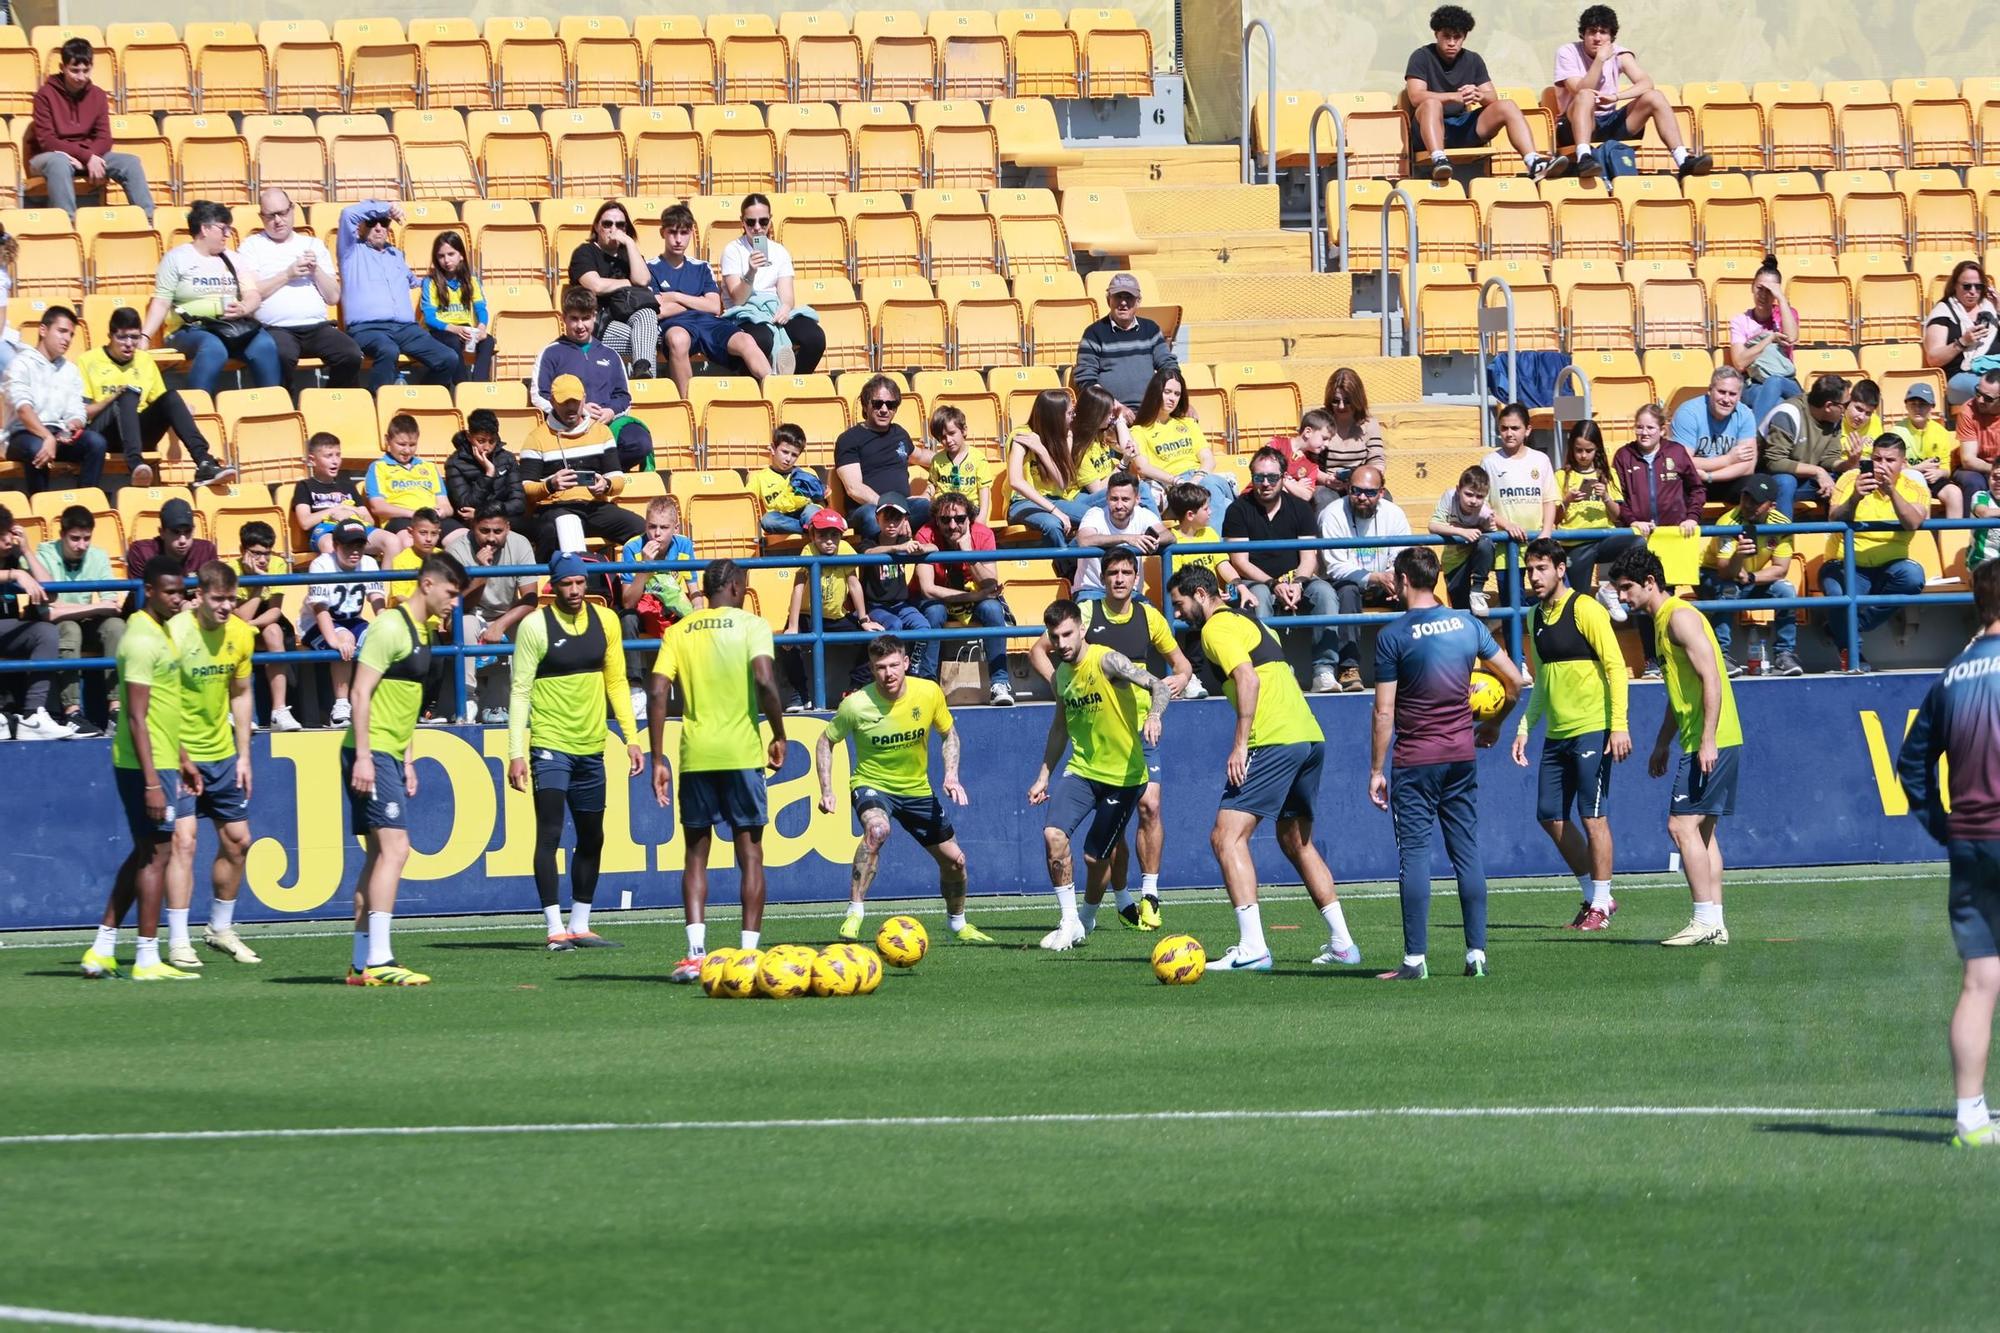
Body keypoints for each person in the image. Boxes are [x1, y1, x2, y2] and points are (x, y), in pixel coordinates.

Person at [1168, 564, 1358, 971]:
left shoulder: (1215, 630)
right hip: (1308, 735)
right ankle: (1344, 944)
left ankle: (1253, 947)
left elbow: (1248, 680)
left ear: (1200, 595)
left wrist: (1240, 745)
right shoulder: (1251, 620)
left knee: (1226, 837)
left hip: (1272, 739)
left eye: (1180, 604)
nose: (1178, 613)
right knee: (1297, 842)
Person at [1369, 545, 1523, 980]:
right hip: (1460, 756)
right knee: (1466, 852)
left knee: (1415, 855)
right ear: (1436, 578)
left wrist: (1376, 770)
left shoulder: (1393, 635)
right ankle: (1476, 954)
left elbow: (1383, 711)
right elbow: (1513, 681)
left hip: (1415, 759)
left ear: (1401, 581)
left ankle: (1415, 961)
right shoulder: (1469, 625)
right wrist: (1495, 724)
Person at [1029, 549, 1192, 930]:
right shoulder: (1084, 614)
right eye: (1112, 573)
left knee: (1149, 805)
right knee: (1108, 827)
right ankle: (1118, 900)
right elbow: (1040, 650)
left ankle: (1149, 894)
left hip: (1140, 727)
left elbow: (1180, 666)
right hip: (1096, 730)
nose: (1119, 579)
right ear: (1102, 578)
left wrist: (1176, 684)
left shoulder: (1149, 616)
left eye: (1126, 572)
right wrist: (1063, 688)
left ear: (1137, 577)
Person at [1895, 559, 2000, 1148]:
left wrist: (1945, 826)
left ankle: (1970, 1118)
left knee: (1981, 980)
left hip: (1972, 839)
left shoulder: (1952, 675)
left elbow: (1912, 764)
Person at [648, 558, 789, 983]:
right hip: (742, 752)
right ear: (732, 585)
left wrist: (658, 757)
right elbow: (764, 680)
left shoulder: (678, 631)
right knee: (750, 854)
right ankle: (748, 955)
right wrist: (778, 732)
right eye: (743, 583)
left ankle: (694, 955)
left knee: (695, 854)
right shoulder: (752, 625)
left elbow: (657, 688)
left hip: (696, 755)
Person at [816, 634, 995, 946]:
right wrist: (827, 789)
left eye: (894, 665)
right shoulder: (855, 705)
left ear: (907, 663)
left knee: (956, 862)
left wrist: (951, 776)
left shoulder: (928, 693)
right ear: (872, 670)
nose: (888, 673)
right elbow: (825, 740)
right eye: (880, 667)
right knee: (877, 829)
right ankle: (855, 912)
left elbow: (949, 734)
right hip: (872, 785)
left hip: (916, 790)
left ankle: (958, 923)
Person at [341, 552, 469, 985]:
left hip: (389, 753)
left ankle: (362, 964)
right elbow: (360, 693)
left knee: (379, 854)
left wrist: (408, 759)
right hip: (371, 750)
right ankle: (380, 959)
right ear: (428, 584)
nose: (454, 602)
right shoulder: (390, 627)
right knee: (397, 850)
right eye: (451, 593)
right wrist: (363, 755)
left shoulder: (421, 631)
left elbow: (404, 700)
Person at [1608, 545, 1742, 947]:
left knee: (1679, 827)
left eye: (1628, 588)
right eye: (1618, 590)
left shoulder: (1679, 619)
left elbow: (1711, 679)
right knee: (1702, 835)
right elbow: (1680, 691)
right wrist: (1663, 744)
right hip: (1710, 739)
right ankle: (1715, 923)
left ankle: (1702, 920)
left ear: (1651, 582)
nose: (1623, 597)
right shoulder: (1663, 622)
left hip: (1712, 741)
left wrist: (1706, 742)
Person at [507, 552, 641, 952]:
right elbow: (520, 691)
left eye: (581, 583)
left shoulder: (607, 622)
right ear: (553, 586)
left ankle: (580, 924)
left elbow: (617, 682)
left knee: (592, 836)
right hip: (550, 745)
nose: (576, 590)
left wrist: (632, 738)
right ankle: (554, 928)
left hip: (592, 745)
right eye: (567, 584)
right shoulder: (534, 626)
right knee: (549, 833)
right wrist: (516, 751)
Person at [1511, 537, 1630, 931]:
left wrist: (1619, 725)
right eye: (1530, 570)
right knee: (1549, 815)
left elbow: (1615, 666)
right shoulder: (1534, 617)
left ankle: (1600, 901)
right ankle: (1595, 897)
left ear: (1561, 569)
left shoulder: (1586, 608)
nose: (1534, 576)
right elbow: (1542, 679)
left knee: (1593, 816)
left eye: (1541, 568)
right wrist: (1525, 726)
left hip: (1593, 728)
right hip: (1557, 734)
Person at [82, 558, 191, 980]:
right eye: (169, 592)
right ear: (148, 590)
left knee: (147, 851)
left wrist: (182, 756)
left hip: (163, 758)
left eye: (181, 591)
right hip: (144, 764)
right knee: (156, 854)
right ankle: (147, 957)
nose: (177, 598)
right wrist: (151, 782)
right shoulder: (141, 640)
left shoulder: (161, 631)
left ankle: (102, 947)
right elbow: (136, 717)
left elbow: (165, 705)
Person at [162, 561, 259, 969]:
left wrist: (244, 758)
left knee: (239, 842)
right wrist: (182, 756)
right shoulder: (175, 634)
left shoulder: (240, 633)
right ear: (198, 596)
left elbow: (240, 694)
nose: (225, 607)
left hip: (222, 755)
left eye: (231, 599)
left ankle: (220, 929)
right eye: (217, 599)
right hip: (176, 752)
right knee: (183, 843)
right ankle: (178, 940)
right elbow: (159, 701)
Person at [1224, 445, 1343, 692]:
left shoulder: (1300, 508)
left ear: (1283, 477)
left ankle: (1324, 670)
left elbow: (1309, 558)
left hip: (1296, 578)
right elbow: (1240, 562)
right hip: (1256, 581)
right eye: (1259, 477)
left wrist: (1298, 582)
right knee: (1259, 596)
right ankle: (1272, 667)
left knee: (1325, 593)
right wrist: (1274, 584)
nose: (1265, 483)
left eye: (1272, 477)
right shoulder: (1238, 509)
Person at [1405, 5, 1567, 183]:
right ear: (1436, 34)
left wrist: (1479, 95)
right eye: (1446, 36)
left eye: (1457, 37)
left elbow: (1492, 97)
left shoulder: (1473, 60)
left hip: (1461, 126)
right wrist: (1453, 96)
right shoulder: (1421, 56)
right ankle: (1438, 160)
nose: (1452, 43)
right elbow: (1415, 97)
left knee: (1507, 105)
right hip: (1427, 129)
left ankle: (1533, 162)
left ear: (1464, 37)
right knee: (1431, 104)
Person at [78, 304, 230, 488]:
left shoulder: (144, 360)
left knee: (171, 397)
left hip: (138, 434)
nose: (128, 343)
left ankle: (205, 462)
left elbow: (160, 400)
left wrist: (180, 409)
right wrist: (115, 396)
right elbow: (84, 413)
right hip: (104, 434)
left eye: (134, 337)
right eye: (122, 337)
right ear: (110, 336)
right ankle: (136, 465)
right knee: (126, 396)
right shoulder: (88, 360)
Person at [1553, 5, 1711, 180]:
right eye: (1592, 32)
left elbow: (1646, 82)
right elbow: (1580, 89)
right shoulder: (1567, 52)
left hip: (1609, 122)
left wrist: (1615, 97)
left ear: (1612, 36)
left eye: (1603, 32)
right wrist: (1600, 60)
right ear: (1583, 34)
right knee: (1585, 95)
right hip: (1575, 125)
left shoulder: (1620, 53)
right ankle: (1584, 157)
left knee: (1654, 96)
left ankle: (1683, 160)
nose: (1597, 38)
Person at [141, 201, 281, 397]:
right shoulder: (177, 258)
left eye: (229, 229)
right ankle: (197, 409)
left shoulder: (233, 258)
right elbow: (162, 301)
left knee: (264, 344)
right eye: (223, 228)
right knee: (213, 347)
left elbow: (252, 294)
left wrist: (244, 308)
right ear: (204, 229)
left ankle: (272, 406)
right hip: (189, 329)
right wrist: (145, 336)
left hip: (230, 327)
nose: (228, 234)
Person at [1821, 434, 1929, 673]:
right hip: (1846, 562)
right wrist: (1856, 498)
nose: (1882, 465)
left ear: (1904, 463)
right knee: (1837, 592)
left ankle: (1847, 627)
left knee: (1913, 576)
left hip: (1890, 566)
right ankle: (1854, 655)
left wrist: (1892, 492)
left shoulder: (1915, 485)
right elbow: (1833, 518)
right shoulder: (1850, 479)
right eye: (1877, 458)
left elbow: (1913, 522)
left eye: (1890, 460)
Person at [239, 188, 362, 392]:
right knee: (280, 355)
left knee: (350, 354)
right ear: (262, 217)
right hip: (275, 327)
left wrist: (316, 271)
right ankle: (287, 407)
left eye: (283, 213)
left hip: (317, 327)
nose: (278, 220)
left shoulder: (313, 244)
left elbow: (333, 297)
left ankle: (327, 402)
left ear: (293, 210)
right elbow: (250, 292)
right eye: (271, 216)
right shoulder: (252, 246)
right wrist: (287, 274)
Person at [1612, 403, 1704, 673]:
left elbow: (1696, 489)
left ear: (1662, 429)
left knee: (1666, 601)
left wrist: (1692, 517)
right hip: (1639, 540)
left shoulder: (1676, 452)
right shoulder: (1623, 456)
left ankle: (1671, 657)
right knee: (1641, 602)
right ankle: (1652, 660)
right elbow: (1619, 499)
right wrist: (1632, 521)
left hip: (1671, 539)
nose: (1644, 432)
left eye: (1650, 427)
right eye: (1639, 426)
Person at [337, 200, 463, 391]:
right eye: (371, 223)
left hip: (406, 330)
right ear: (361, 227)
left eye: (384, 223)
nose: (379, 228)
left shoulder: (396, 255)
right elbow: (347, 214)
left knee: (448, 358)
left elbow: (415, 282)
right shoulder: (351, 251)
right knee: (388, 350)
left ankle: (420, 399)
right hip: (368, 329)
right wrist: (385, 208)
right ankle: (377, 403)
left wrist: (457, 281)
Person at [517, 373, 645, 560]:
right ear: (552, 401)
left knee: (641, 529)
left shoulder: (601, 431)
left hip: (595, 507)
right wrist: (550, 485)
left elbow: (618, 480)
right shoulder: (536, 438)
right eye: (564, 402)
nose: (570, 408)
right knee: (559, 527)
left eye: (575, 402)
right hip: (555, 508)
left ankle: (635, 581)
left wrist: (605, 484)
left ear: (584, 399)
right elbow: (526, 487)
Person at [27, 38, 154, 221]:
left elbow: (104, 138)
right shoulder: (44, 96)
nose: (81, 77)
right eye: (74, 70)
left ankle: (147, 220)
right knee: (59, 163)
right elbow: (47, 140)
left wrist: (90, 157)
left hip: (88, 155)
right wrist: (86, 157)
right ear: (62, 67)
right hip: (51, 156)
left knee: (130, 163)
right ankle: (67, 224)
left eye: (86, 70)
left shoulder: (98, 95)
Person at [650, 202, 771, 393]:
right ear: (662, 232)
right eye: (673, 232)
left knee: (746, 340)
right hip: (675, 324)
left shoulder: (701, 266)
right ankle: (688, 405)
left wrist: (675, 296)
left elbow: (714, 307)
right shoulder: (650, 268)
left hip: (708, 322)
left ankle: (774, 390)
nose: (678, 239)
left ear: (691, 233)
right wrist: (698, 302)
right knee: (678, 340)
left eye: (684, 233)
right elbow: (660, 310)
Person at [531, 286, 655, 472]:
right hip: (569, 427)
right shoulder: (550, 353)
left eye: (585, 318)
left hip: (607, 425)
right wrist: (579, 410)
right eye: (574, 319)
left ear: (594, 316)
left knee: (638, 441)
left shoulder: (611, 355)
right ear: (564, 318)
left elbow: (624, 397)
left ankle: (602, 474)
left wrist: (611, 412)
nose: (580, 326)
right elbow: (539, 395)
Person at [914, 490, 1016, 707]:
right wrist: (974, 595)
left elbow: (990, 584)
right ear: (936, 520)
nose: (952, 526)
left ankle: (999, 683)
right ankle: (927, 685)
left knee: (992, 610)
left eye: (959, 519)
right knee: (933, 612)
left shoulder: (983, 534)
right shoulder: (925, 534)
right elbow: (928, 589)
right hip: (941, 598)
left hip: (974, 598)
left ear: (969, 519)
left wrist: (969, 554)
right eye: (945, 520)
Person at [442, 505, 540, 724]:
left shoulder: (520, 543)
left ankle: (523, 698)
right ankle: (467, 699)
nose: (491, 538)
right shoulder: (456, 550)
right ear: (472, 527)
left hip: (507, 614)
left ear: (508, 527)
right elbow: (455, 603)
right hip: (467, 612)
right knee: (465, 625)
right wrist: (480, 573)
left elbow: (531, 598)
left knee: (532, 624)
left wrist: (500, 625)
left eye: (498, 531)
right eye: (484, 531)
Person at [1318, 462, 1411, 692]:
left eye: (1370, 492)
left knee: (1411, 590)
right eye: (1355, 490)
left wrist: (1392, 577)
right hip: (1348, 583)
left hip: (1384, 580)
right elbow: (1334, 566)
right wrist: (1375, 577)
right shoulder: (1331, 514)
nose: (1362, 497)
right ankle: (1349, 668)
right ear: (1347, 488)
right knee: (1348, 590)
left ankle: (1409, 664)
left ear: (1381, 492)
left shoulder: (1394, 513)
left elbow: (1403, 554)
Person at [1699, 474, 1804, 676]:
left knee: (1786, 591)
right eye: (1745, 497)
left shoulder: (1782, 525)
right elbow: (1724, 570)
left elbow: (1780, 569)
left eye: (1756, 501)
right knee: (1728, 589)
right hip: (1713, 575)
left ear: (1772, 506)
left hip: (1752, 577)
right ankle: (1721, 655)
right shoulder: (1728, 522)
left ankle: (1785, 655)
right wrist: (1739, 555)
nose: (1748, 504)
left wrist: (1752, 578)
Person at [718, 194, 826, 375]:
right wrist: (751, 271)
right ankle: (763, 386)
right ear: (742, 222)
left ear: (770, 221)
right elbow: (738, 299)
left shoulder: (779, 251)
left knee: (814, 337)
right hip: (745, 312)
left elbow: (787, 295)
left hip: (772, 308)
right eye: (751, 222)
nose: (758, 228)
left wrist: (785, 308)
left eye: (763, 221)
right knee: (762, 339)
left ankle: (790, 383)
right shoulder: (733, 250)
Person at [37, 504, 122, 735]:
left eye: (86, 539)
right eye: (75, 538)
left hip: (86, 620)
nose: (81, 546)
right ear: (62, 534)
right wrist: (94, 607)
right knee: (70, 628)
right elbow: (48, 612)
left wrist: (75, 608)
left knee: (116, 627)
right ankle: (72, 712)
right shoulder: (44, 554)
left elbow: (113, 606)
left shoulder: (98, 555)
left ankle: (116, 711)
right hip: (58, 625)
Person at [4, 304, 105, 493]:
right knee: (37, 447)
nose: (67, 339)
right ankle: (41, 503)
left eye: (71, 335)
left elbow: (76, 409)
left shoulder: (71, 370)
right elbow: (23, 409)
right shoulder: (21, 364)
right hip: (22, 434)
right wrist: (47, 436)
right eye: (62, 331)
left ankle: (85, 503)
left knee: (96, 442)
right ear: (43, 330)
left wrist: (73, 424)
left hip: (58, 433)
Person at [781, 509, 875, 704]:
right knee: (787, 644)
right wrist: (792, 626)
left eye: (834, 535)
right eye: (823, 534)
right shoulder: (809, 550)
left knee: (872, 639)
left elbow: (854, 583)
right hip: (807, 616)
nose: (829, 540)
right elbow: (798, 587)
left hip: (836, 617)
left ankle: (855, 687)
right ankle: (800, 694)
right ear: (812, 535)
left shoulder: (847, 549)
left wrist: (864, 618)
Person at [0, 503, 73, 739]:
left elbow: (51, 594)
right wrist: (15, 575)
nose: (8, 540)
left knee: (45, 632)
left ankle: (32, 716)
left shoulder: (13, 557)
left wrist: (27, 552)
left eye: (8, 533)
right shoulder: (13, 571)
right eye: (1, 535)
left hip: (7, 631)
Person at [305, 519, 385, 728]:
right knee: (345, 641)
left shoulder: (369, 563)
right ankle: (340, 707)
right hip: (315, 622)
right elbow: (320, 609)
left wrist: (385, 627)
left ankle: (371, 703)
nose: (355, 551)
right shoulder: (321, 564)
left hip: (352, 620)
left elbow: (377, 600)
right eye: (349, 545)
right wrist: (335, 640)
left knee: (380, 640)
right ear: (336, 545)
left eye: (359, 545)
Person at [568, 199, 660, 378]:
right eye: (607, 224)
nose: (613, 229)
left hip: (628, 317)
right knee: (646, 340)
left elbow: (643, 280)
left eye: (620, 225)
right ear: (596, 226)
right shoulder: (585, 252)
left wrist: (631, 244)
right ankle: (647, 387)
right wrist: (629, 282)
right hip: (598, 322)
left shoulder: (629, 254)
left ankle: (642, 372)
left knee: (647, 314)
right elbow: (596, 286)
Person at [836, 374, 932, 540]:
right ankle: (877, 563)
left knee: (930, 508)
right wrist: (891, 511)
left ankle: (933, 563)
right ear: (865, 405)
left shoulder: (899, 433)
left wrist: (956, 455)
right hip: (869, 508)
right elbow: (854, 488)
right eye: (877, 403)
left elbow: (920, 455)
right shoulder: (849, 439)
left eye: (891, 404)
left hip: (903, 508)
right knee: (870, 517)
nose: (884, 409)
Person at [1129, 367, 1232, 520]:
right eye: (1167, 392)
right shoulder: (1139, 430)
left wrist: (1195, 481)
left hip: (1200, 477)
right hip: (1173, 484)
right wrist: (1176, 481)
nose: (1173, 398)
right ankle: (1215, 542)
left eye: (1177, 394)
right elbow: (1142, 467)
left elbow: (1208, 459)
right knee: (1227, 504)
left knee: (1213, 486)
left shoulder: (1189, 423)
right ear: (1155, 392)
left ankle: (1211, 542)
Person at [1479, 401, 1557, 595]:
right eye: (1504, 428)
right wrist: (1507, 525)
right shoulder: (1490, 462)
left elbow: (1549, 499)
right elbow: (1483, 506)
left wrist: (1546, 532)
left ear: (1527, 430)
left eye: (1515, 428)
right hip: (1506, 549)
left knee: (1550, 600)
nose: (1509, 433)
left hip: (1537, 545)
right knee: (1512, 605)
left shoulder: (1540, 459)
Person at [857, 495, 939, 675]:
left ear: (905, 521)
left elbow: (934, 548)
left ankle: (914, 667)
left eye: (897, 518)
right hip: (876, 606)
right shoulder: (870, 541)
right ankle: (890, 670)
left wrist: (921, 548)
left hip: (901, 604)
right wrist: (896, 549)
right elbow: (868, 553)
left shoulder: (905, 542)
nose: (891, 524)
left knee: (923, 627)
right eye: (887, 518)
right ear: (877, 518)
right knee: (894, 625)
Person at [1551, 419, 1632, 598]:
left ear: (1598, 450)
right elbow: (1554, 519)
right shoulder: (1561, 475)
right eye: (1579, 450)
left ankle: (1611, 588)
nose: (1583, 455)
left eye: (1589, 450)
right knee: (1580, 598)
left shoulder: (1608, 475)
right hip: (1575, 544)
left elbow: (1618, 516)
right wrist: (1567, 500)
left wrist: (1606, 497)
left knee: (1637, 542)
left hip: (1604, 539)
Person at [232, 521, 300, 732]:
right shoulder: (230, 570)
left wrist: (249, 625)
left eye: (267, 554)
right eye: (256, 553)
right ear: (243, 551)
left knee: (274, 631)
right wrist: (259, 582)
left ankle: (279, 711)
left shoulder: (277, 565)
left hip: (259, 621)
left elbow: (274, 611)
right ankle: (236, 711)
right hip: (236, 623)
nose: (263, 560)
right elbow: (239, 615)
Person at [1072, 272, 1175, 411]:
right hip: (1108, 415)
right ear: (1109, 300)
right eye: (1118, 297)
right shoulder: (1093, 333)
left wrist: (1181, 403)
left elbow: (1168, 366)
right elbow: (1086, 381)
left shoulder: (1151, 329)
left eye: (1129, 297)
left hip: (1149, 412)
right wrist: (1115, 407)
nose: (1123, 303)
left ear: (1138, 301)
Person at [1007, 388, 1091, 556]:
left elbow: (1063, 482)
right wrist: (1055, 511)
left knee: (1095, 518)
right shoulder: (1022, 436)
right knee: (1052, 524)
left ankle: (1072, 557)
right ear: (1055, 417)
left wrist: (1042, 451)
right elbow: (1015, 481)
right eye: (1069, 413)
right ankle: (1065, 570)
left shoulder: (1064, 435)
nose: (1073, 417)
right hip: (1022, 502)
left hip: (1054, 499)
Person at [291, 431, 397, 562]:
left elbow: (370, 521)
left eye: (338, 455)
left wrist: (350, 511)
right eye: (328, 456)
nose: (335, 461)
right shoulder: (304, 486)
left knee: (392, 541)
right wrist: (336, 510)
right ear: (313, 460)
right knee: (332, 546)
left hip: (355, 526)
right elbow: (305, 522)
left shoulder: (348, 486)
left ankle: (384, 583)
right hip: (326, 530)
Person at [1071, 471, 1173, 601]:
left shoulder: (1144, 514)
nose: (1119, 505)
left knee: (1150, 617)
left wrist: (1152, 541)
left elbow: (1169, 536)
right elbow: (1084, 540)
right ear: (1107, 498)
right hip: (1092, 590)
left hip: (1131, 593)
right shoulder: (1095, 514)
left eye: (1125, 499)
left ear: (1137, 499)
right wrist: (1127, 538)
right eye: (1114, 499)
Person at [1759, 373, 1850, 517]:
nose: (1847, 410)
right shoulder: (1788, 414)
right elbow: (1774, 462)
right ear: (1829, 406)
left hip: (1805, 476)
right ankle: (1782, 536)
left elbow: (1829, 458)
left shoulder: (1834, 418)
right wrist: (1817, 471)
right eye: (1845, 405)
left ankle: (1839, 534)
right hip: (1768, 476)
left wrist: (1850, 463)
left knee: (1844, 480)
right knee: (1786, 481)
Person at [1670, 366, 1760, 507]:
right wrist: (1729, 459)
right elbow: (1682, 462)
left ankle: (1745, 529)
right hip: (1693, 481)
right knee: (1674, 484)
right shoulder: (1689, 413)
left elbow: (1748, 466)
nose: (1726, 399)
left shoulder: (1745, 414)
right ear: (1710, 390)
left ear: (1740, 396)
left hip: (1726, 479)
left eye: (1732, 394)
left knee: (1758, 485)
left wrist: (1710, 476)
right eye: (1721, 392)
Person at [1730, 256, 1801, 421]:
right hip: (1754, 383)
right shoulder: (1740, 321)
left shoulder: (1787, 314)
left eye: (1770, 291)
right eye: (1759, 288)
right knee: (1778, 403)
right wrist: (1769, 339)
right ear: (1752, 287)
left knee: (1775, 382)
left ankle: (1752, 438)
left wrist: (1782, 299)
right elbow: (1740, 363)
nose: (1763, 295)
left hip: (1786, 381)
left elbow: (1791, 338)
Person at [419, 230, 493, 384]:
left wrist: (481, 327)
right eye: (441, 256)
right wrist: (454, 329)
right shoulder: (430, 282)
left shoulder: (471, 281)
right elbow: (430, 318)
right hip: (441, 331)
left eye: (451, 254)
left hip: (464, 329)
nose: (446, 260)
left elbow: (481, 308)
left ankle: (480, 384)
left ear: (461, 256)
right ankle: (462, 386)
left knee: (488, 341)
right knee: (452, 341)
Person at [1924, 259, 2000, 408]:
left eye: (1978, 287)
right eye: (1967, 286)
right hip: (1962, 377)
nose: (1973, 291)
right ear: (1954, 286)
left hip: (1996, 373)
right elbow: (1933, 358)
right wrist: (1962, 342)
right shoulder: (1943, 313)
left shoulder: (1991, 310)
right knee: (1991, 390)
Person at [1428, 463, 1502, 615]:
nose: (1474, 501)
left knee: (1486, 542)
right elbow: (1433, 525)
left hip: (1475, 558)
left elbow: (1491, 541)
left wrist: (1484, 529)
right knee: (1461, 610)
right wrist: (1461, 532)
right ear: (1458, 490)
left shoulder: (1485, 512)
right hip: (1454, 560)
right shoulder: (1449, 497)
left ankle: (1477, 590)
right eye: (1469, 494)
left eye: (1479, 496)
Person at [363, 413, 448, 541]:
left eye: (412, 445)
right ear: (388, 440)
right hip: (400, 520)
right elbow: (378, 507)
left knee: (462, 538)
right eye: (402, 444)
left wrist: (442, 511)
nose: (407, 450)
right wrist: (415, 514)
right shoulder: (378, 467)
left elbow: (446, 505)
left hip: (433, 520)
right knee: (409, 542)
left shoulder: (429, 467)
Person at [123, 498, 219, 608]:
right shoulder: (141, 551)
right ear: (162, 532)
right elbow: (143, 599)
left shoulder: (206, 550)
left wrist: (202, 603)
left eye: (187, 532)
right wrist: (182, 605)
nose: (183, 540)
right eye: (175, 532)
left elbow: (215, 592)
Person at [444, 408, 527, 531]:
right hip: (472, 523)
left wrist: (485, 513)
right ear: (469, 436)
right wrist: (488, 474)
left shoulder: (507, 458)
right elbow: (465, 506)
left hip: (500, 518)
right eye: (481, 441)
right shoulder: (455, 463)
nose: (487, 447)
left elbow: (519, 503)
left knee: (545, 528)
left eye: (492, 441)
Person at [1893, 382, 1965, 519]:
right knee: (1920, 489)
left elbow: (1946, 467)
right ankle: (1923, 538)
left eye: (1923, 404)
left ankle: (1954, 538)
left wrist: (1940, 473)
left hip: (1934, 479)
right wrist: (1918, 468)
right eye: (1913, 404)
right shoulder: (1897, 432)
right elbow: (1894, 469)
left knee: (1954, 493)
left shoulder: (1940, 432)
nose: (1917, 409)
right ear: (1906, 405)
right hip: (1906, 479)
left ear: (1932, 406)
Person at [1320, 367, 1388, 498]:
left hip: (1360, 484)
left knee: (1385, 498)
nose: (1341, 406)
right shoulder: (1320, 420)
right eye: (1335, 401)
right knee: (1324, 498)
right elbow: (1307, 462)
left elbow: (1377, 461)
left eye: (1347, 401)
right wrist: (1327, 480)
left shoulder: (1369, 424)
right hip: (1326, 484)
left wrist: (1363, 482)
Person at [753, 422, 824, 537]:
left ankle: (814, 527)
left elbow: (819, 502)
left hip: (805, 511)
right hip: (781, 517)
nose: (788, 459)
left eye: (794, 455)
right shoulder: (758, 477)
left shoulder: (806, 474)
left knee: (812, 511)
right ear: (772, 449)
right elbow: (747, 502)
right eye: (785, 452)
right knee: (768, 520)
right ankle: (813, 530)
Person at [927, 404, 995, 521]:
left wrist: (982, 517)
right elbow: (932, 484)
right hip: (944, 509)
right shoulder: (937, 460)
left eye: (952, 433)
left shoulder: (978, 458)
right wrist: (926, 495)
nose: (948, 440)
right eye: (943, 437)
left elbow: (984, 489)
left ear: (964, 430)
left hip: (970, 508)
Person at [1953, 369, 2000, 506]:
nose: (1979, 400)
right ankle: (1972, 526)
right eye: (1978, 392)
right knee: (1973, 481)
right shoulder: (1968, 411)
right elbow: (1968, 460)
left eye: (1988, 398)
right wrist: (1995, 470)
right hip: (1973, 469)